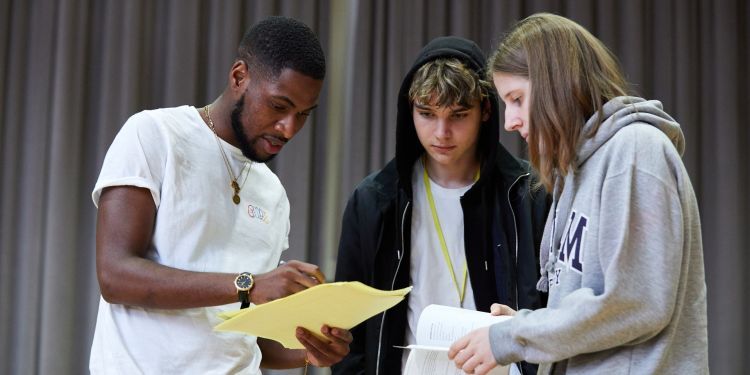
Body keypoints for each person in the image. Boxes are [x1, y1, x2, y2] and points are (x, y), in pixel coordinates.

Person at [448, 13, 708, 375]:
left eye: (518, 99)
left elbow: (634, 302)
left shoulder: (634, 152)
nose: (509, 122)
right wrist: (530, 326)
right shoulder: (578, 173)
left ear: (557, 83)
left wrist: (515, 336)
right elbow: (597, 309)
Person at [90, 16, 352, 374]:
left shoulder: (273, 193)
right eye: (279, 106)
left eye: (303, 114)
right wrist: (248, 284)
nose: (289, 128)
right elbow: (115, 276)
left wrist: (309, 349)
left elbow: (246, 336)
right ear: (239, 76)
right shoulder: (155, 135)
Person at [332, 36, 549, 375]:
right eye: (427, 114)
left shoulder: (527, 194)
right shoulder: (375, 199)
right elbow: (348, 328)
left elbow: (553, 313)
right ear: (410, 111)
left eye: (458, 115)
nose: (442, 132)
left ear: (486, 111)